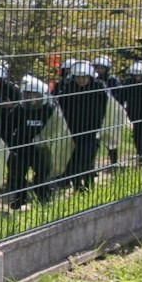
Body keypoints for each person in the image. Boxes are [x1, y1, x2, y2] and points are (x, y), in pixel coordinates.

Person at [5, 76, 56, 208]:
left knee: (41, 177)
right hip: (21, 147)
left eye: (33, 94)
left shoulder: (49, 110)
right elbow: (9, 127)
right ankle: (20, 198)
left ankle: (44, 199)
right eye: (26, 94)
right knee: (17, 175)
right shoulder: (19, 109)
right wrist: (11, 145)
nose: (29, 97)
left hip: (42, 150)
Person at [56, 61, 108, 190]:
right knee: (74, 160)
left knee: (87, 159)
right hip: (72, 130)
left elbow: (106, 107)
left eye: (84, 77)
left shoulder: (99, 88)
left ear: (90, 77)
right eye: (78, 77)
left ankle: (89, 184)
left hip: (91, 130)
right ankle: (78, 185)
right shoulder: (67, 89)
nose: (81, 80)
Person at [92, 55, 122, 165]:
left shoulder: (113, 81)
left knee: (111, 140)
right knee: (94, 141)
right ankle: (91, 165)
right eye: (97, 68)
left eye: (102, 68)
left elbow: (119, 96)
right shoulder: (93, 81)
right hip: (96, 113)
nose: (99, 70)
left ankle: (114, 163)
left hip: (111, 114)